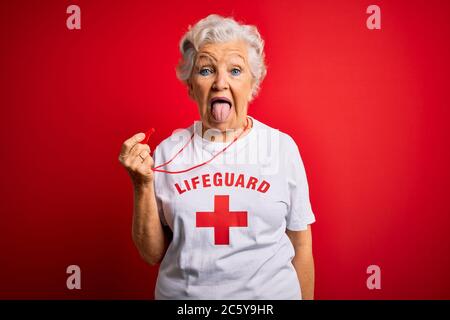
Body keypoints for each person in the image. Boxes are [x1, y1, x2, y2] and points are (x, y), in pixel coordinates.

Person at [118, 14, 316, 300]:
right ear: (190, 85)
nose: (221, 83)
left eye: (235, 70)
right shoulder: (166, 153)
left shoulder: (281, 148)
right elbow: (151, 254)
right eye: (206, 70)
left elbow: (301, 246)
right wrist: (141, 185)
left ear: (253, 82)